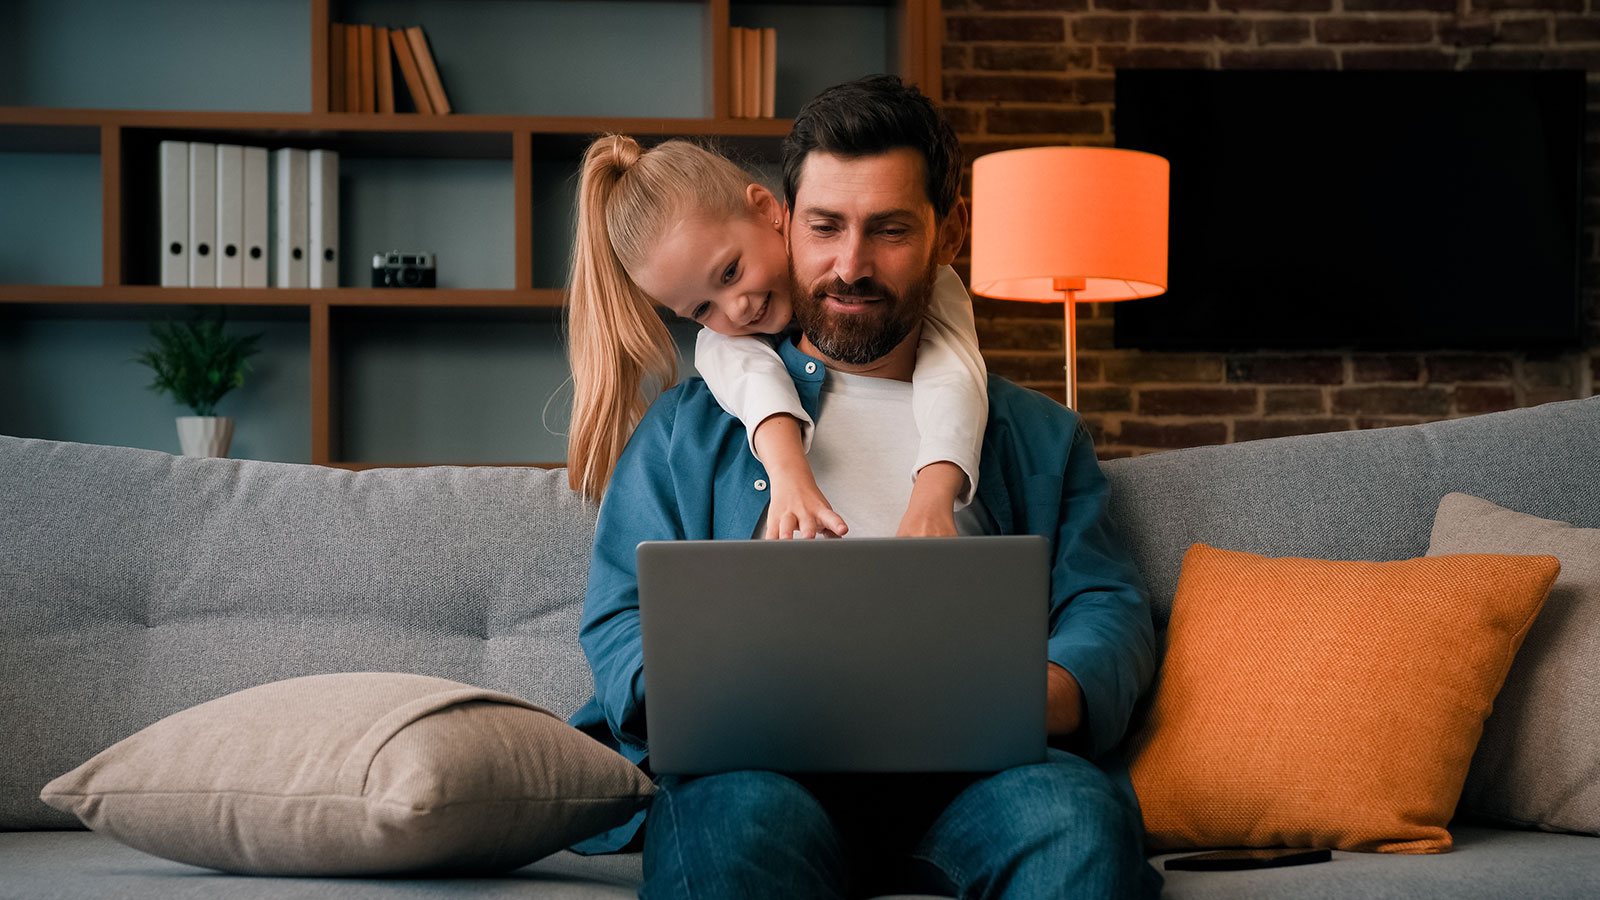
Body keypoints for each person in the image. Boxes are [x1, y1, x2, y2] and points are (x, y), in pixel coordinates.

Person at [568, 74, 1162, 899]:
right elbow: (618, 616)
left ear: (946, 234)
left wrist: (1045, 696)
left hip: (986, 779)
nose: (851, 266)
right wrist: (699, 694)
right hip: (762, 779)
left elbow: (1107, 607)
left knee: (1077, 824)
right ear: (784, 218)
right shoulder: (685, 431)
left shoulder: (1038, 436)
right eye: (826, 227)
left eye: (887, 230)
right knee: (725, 829)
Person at [564, 135, 988, 539]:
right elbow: (744, 370)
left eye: (730, 272)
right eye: (701, 310)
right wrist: (788, 474)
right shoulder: (720, 353)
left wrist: (932, 499)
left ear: (769, 209)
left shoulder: (930, 287)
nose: (736, 310)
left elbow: (955, 373)